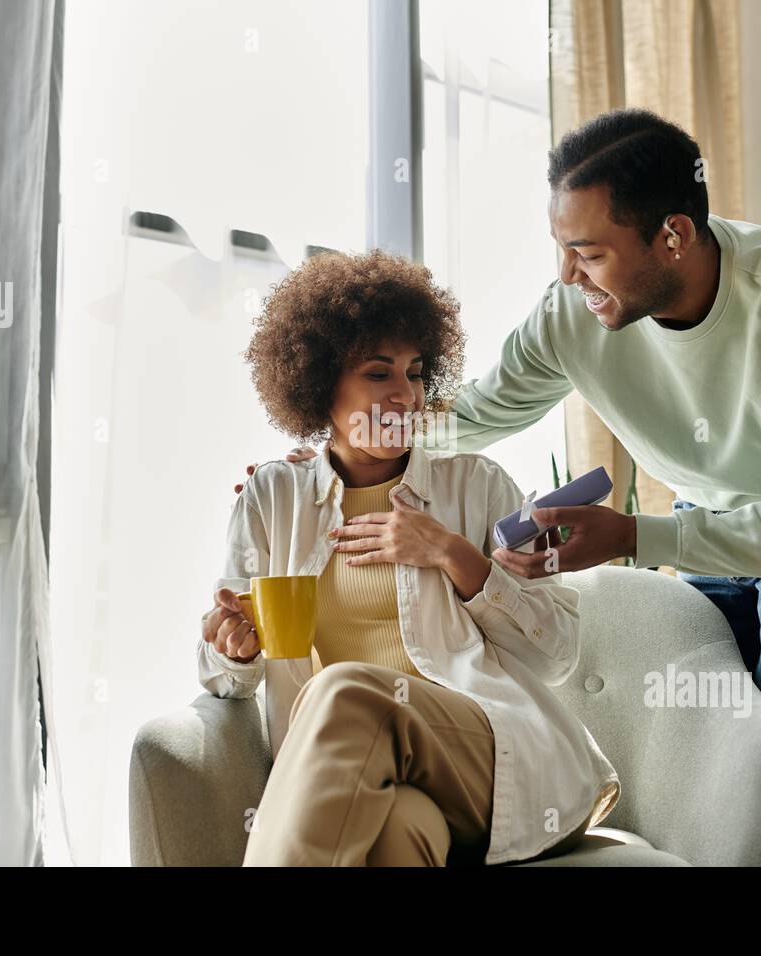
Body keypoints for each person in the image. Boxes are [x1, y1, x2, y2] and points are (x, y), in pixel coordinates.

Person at [242, 108, 761, 867]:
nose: (566, 276)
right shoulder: (571, 314)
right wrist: (323, 451)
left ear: (674, 236)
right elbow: (472, 415)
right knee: (718, 736)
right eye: (561, 249)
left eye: (587, 253)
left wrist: (629, 535)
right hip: (700, 509)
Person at [201, 249, 619, 866]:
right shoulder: (274, 496)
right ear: (319, 385)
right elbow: (222, 679)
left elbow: (557, 653)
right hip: (362, 771)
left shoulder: (476, 487)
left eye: (416, 372)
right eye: (378, 374)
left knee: (344, 691)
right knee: (399, 831)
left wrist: (454, 555)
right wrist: (232, 648)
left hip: (489, 753)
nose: (406, 394)